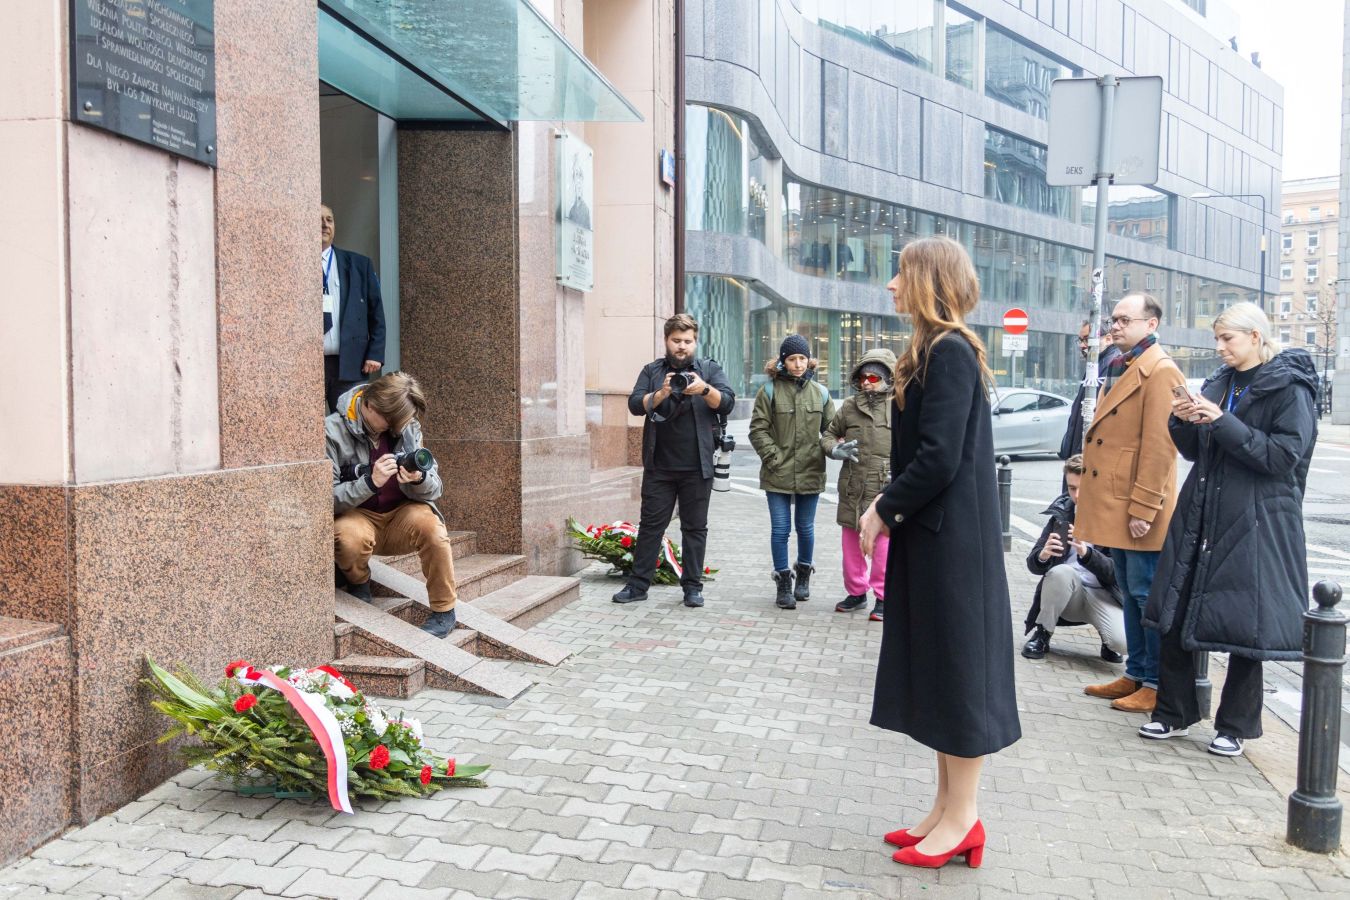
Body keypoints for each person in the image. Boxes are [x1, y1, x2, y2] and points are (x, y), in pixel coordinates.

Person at [858, 236, 1020, 870]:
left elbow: (938, 458)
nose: (892, 286)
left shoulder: (949, 352)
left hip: (952, 547)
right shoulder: (933, 349)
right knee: (939, 672)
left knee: (958, 678)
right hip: (936, 541)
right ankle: (944, 808)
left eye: (900, 275)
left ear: (927, 279)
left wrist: (882, 509)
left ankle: (964, 818)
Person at [1139, 303, 1318, 757]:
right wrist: (1182, 419)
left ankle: (1235, 727)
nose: (1219, 348)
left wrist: (1221, 421)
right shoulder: (1220, 382)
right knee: (1176, 609)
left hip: (1258, 518)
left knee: (1247, 625)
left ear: (1256, 337)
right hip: (1202, 509)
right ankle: (1171, 713)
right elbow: (1198, 452)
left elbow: (1281, 457)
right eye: (1217, 339)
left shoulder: (1288, 388)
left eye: (1228, 340)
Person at [1075, 292, 1186, 714]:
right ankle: (1136, 673)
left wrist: (1144, 507)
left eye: (1124, 319)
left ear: (1151, 324)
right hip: (1118, 502)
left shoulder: (1160, 369)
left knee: (1144, 595)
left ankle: (1154, 682)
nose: (1115, 325)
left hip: (1137, 505)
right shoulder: (1126, 365)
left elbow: (1162, 447)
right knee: (1130, 588)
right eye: (1114, 319)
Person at [612, 314, 735, 608]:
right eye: (676, 341)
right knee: (651, 526)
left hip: (698, 466)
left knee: (695, 528)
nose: (682, 347)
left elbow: (727, 401)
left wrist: (704, 389)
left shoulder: (708, 369)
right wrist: (663, 392)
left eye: (687, 341)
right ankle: (638, 585)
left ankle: (692, 588)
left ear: (695, 342)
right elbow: (634, 405)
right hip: (660, 466)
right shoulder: (652, 371)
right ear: (666, 340)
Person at [327, 372, 458, 638]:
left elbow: (436, 486)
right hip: (358, 514)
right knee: (347, 537)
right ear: (369, 405)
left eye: (399, 424)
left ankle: (445, 610)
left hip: (402, 513)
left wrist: (418, 479)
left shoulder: (406, 426)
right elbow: (325, 499)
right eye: (388, 423)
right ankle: (359, 584)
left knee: (434, 530)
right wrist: (370, 482)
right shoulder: (331, 431)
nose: (393, 429)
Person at [748, 335, 836, 609]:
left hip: (811, 470)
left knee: (806, 528)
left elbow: (831, 430)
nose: (797, 364)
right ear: (783, 362)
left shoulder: (820, 393)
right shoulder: (770, 391)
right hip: (777, 472)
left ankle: (804, 576)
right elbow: (758, 430)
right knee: (780, 529)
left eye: (802, 358)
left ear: (808, 360)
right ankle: (783, 581)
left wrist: (837, 447)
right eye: (791, 359)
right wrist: (774, 457)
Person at [1022, 454, 1126, 663]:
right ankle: (1043, 633)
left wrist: (1087, 555)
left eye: (1083, 488)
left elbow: (1119, 574)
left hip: (1104, 595)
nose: (1077, 495)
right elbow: (1033, 564)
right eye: (1072, 488)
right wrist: (1042, 556)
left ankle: (1107, 641)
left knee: (1123, 644)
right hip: (1069, 594)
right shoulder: (1062, 512)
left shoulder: (1114, 517)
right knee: (1060, 572)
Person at [821, 348, 896, 621]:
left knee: (883, 548)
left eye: (874, 378)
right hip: (853, 486)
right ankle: (856, 593)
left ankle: (884, 597)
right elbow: (828, 434)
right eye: (863, 377)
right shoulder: (850, 406)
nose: (866, 382)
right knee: (851, 546)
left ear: (888, 378)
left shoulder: (901, 405)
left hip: (883, 487)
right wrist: (834, 450)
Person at [322, 204, 386, 413]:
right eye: (318, 219)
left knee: (349, 425)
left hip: (350, 362)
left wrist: (375, 352)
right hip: (306, 363)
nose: (324, 225)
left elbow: (376, 312)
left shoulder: (360, 265)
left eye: (329, 220)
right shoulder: (291, 264)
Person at [1060, 320, 1122, 461]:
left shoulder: (1112, 365)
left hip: (1088, 456)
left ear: (1108, 339)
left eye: (1088, 339)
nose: (1082, 345)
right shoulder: (1096, 364)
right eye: (1080, 340)